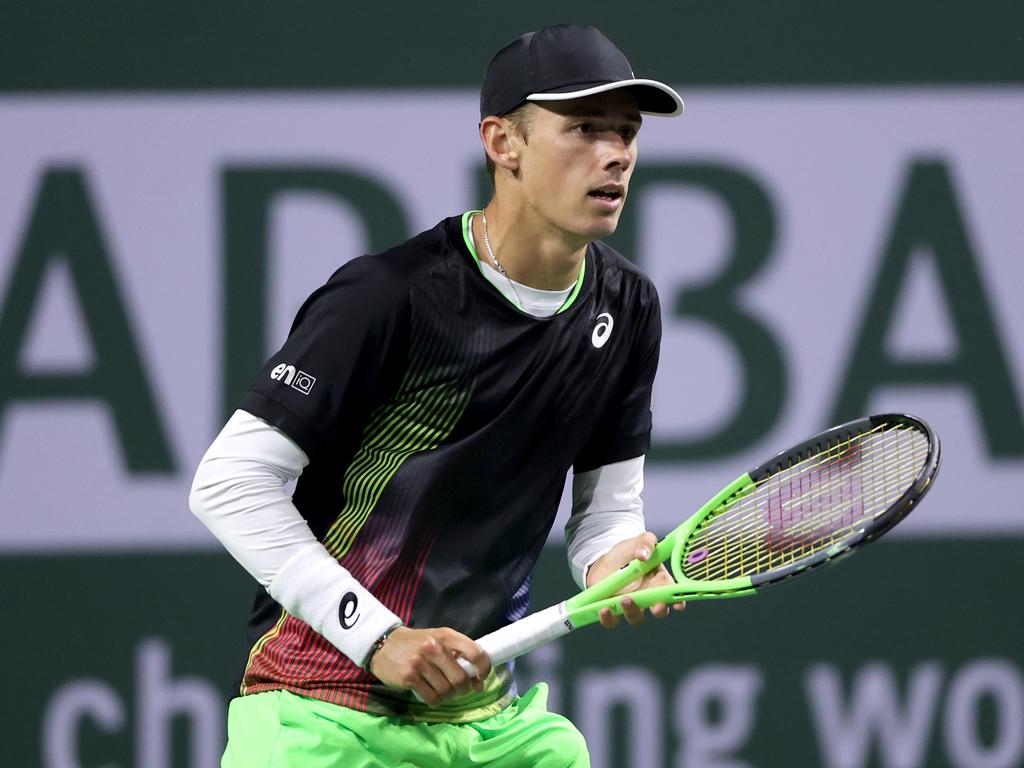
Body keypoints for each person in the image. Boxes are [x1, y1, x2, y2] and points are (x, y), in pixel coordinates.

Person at [190, 23, 684, 767]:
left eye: (627, 133)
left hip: (487, 723)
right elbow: (228, 483)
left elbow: (605, 518)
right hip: (321, 712)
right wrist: (378, 637)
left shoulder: (629, 307)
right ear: (502, 143)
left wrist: (614, 566)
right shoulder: (392, 298)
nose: (616, 153)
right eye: (584, 128)